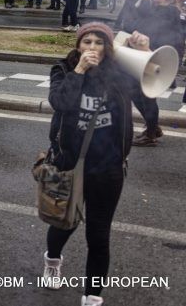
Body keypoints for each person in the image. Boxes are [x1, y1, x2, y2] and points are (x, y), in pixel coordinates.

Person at [44, 23, 150, 306]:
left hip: (109, 167)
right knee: (65, 224)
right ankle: (52, 260)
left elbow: (155, 92)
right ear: (78, 46)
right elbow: (60, 102)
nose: (92, 48)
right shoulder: (64, 69)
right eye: (86, 42)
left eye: (99, 42)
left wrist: (146, 53)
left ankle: (92, 297)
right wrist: (79, 71)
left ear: (108, 47)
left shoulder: (120, 74)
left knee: (99, 234)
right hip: (71, 164)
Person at [120, 0, 184, 146]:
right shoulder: (147, 8)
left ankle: (150, 134)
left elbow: (177, 39)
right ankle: (153, 127)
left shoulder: (171, 12)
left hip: (154, 58)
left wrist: (173, 64)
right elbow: (127, 24)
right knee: (133, 92)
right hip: (138, 57)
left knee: (147, 97)